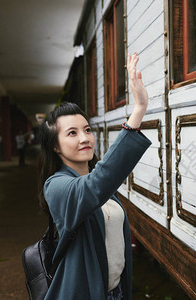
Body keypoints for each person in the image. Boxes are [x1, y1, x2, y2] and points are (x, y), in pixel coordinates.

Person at [37, 53, 150, 300]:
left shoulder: (101, 184)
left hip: (115, 292)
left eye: (87, 130)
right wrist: (138, 110)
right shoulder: (56, 186)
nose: (85, 138)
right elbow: (96, 184)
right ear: (55, 147)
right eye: (72, 133)